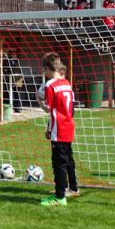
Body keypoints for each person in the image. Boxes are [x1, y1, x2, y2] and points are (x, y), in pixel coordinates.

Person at [37, 52, 79, 206]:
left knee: (58, 163)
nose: (44, 73)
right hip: (68, 126)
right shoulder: (66, 83)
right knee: (68, 159)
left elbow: (49, 109)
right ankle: (73, 188)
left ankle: (59, 197)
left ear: (48, 68)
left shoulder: (50, 85)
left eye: (44, 69)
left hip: (59, 129)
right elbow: (69, 108)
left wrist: (38, 100)